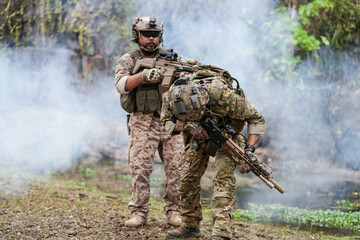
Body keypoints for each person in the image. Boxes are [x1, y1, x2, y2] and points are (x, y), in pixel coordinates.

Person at [160, 75, 266, 239]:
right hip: (199, 135)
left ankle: (221, 232)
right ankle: (190, 225)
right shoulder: (171, 97)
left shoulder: (222, 97)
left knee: (223, 180)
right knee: (187, 179)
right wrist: (187, 125)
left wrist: (249, 150)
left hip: (227, 135)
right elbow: (166, 122)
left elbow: (257, 118)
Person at [114, 16, 183, 227]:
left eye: (155, 35)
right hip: (143, 121)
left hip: (170, 121)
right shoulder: (129, 59)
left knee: (177, 168)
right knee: (140, 168)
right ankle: (139, 212)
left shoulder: (173, 57)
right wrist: (143, 76)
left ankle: (174, 211)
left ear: (160, 37)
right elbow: (121, 84)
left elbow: (186, 82)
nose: (151, 39)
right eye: (146, 35)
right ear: (138, 36)